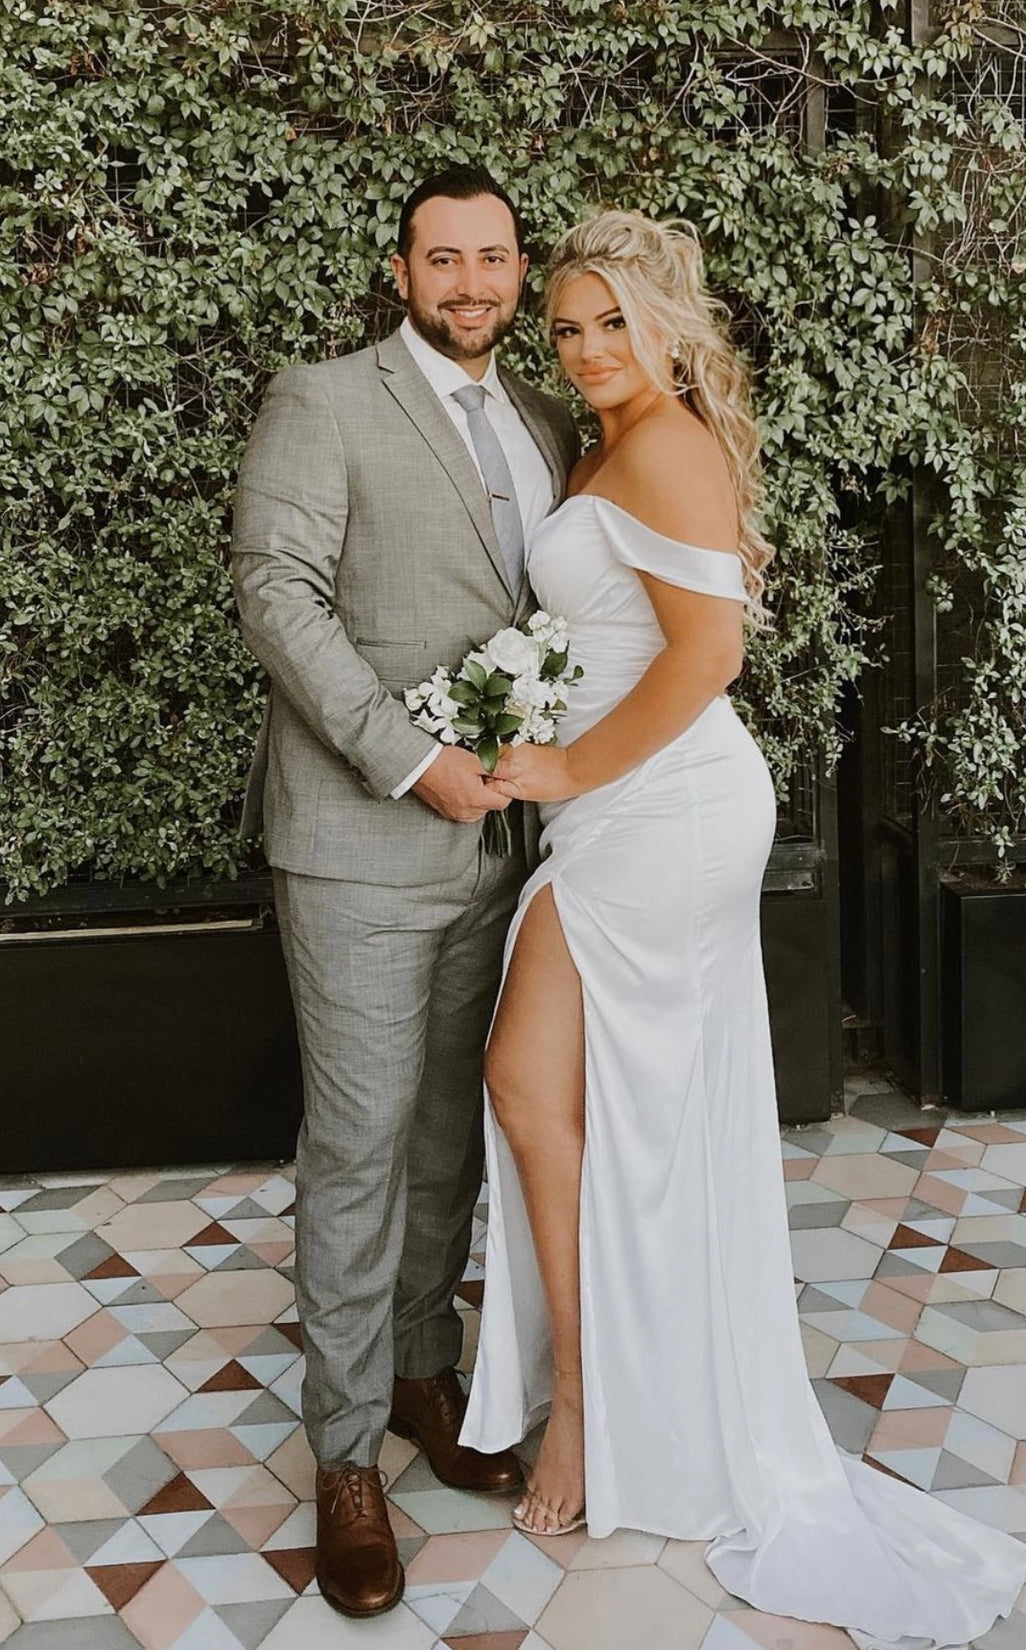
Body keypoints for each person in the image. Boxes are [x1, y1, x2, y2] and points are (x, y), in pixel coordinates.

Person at [458, 209, 1026, 1648]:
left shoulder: (664, 444)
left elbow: (707, 654)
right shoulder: (609, 442)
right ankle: (619, 1389)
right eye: (567, 328)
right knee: (586, 1102)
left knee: (544, 1087)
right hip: (621, 806)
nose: (586, 349)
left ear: (665, 326)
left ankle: (590, 1403)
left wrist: (568, 766)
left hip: (665, 804)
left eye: (611, 322)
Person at [231, 165, 579, 1619]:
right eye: (446, 259)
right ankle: (342, 1452)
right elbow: (275, 592)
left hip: (500, 852)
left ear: (518, 270)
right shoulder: (323, 401)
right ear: (401, 271)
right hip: (362, 842)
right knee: (361, 1144)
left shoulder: (548, 419)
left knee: (448, 1134)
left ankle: (426, 1373)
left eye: (494, 258)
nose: (472, 284)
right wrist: (411, 758)